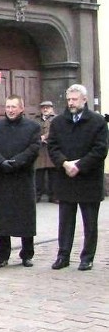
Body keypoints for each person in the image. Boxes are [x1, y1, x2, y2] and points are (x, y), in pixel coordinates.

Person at [47, 84, 109, 271]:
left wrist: (79, 166)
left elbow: (100, 149)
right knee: (65, 221)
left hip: (89, 179)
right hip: (66, 178)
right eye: (69, 100)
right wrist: (65, 163)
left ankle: (87, 257)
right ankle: (63, 255)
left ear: (84, 99)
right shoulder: (58, 122)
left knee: (90, 222)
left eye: (75, 99)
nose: (71, 103)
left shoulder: (97, 122)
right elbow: (53, 146)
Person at [0, 95, 41, 268]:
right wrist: (1, 162)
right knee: (2, 218)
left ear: (21, 108)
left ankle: (27, 254)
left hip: (22, 178)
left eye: (14, 107)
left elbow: (33, 148)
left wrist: (16, 162)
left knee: (25, 217)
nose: (10, 110)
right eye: (8, 107)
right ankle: (2, 255)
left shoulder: (32, 127)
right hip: (2, 177)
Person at [35, 100, 57, 202]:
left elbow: (57, 130)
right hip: (40, 150)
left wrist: (45, 137)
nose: (45, 109)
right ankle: (37, 195)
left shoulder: (57, 119)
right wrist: (39, 138)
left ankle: (54, 196)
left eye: (47, 107)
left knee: (53, 174)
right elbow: (32, 131)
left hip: (52, 149)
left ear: (52, 108)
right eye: (43, 107)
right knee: (38, 174)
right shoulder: (36, 119)